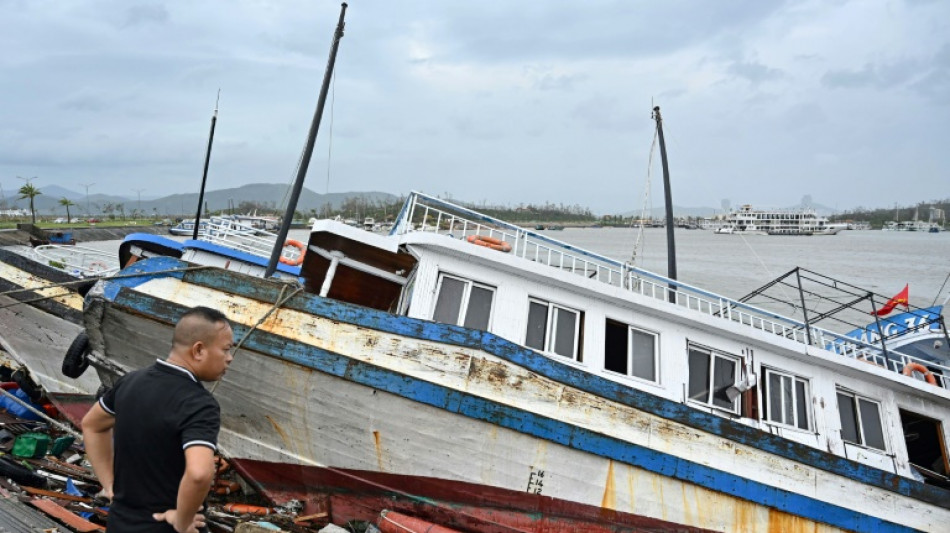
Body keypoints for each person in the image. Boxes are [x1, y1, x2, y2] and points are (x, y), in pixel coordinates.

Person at [83, 306, 235, 533]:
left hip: (120, 523)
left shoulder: (130, 382)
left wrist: (110, 485)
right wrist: (182, 522)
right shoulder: (199, 404)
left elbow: (91, 425)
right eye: (226, 350)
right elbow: (199, 473)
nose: (230, 359)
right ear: (199, 350)